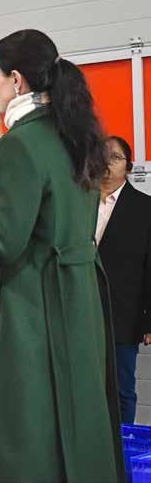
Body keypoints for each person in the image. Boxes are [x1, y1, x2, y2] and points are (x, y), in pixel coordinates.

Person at [0, 29, 123, 481]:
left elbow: (2, 243)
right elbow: (50, 217)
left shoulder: (20, 142)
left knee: (26, 425)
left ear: (16, 79)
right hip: (77, 296)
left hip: (31, 301)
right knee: (77, 415)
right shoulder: (74, 134)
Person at [97, 135, 151, 425]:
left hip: (123, 313)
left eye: (115, 157)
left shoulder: (144, 207)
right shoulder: (79, 202)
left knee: (121, 389)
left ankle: (122, 443)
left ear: (128, 167)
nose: (107, 162)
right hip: (81, 310)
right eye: (101, 155)